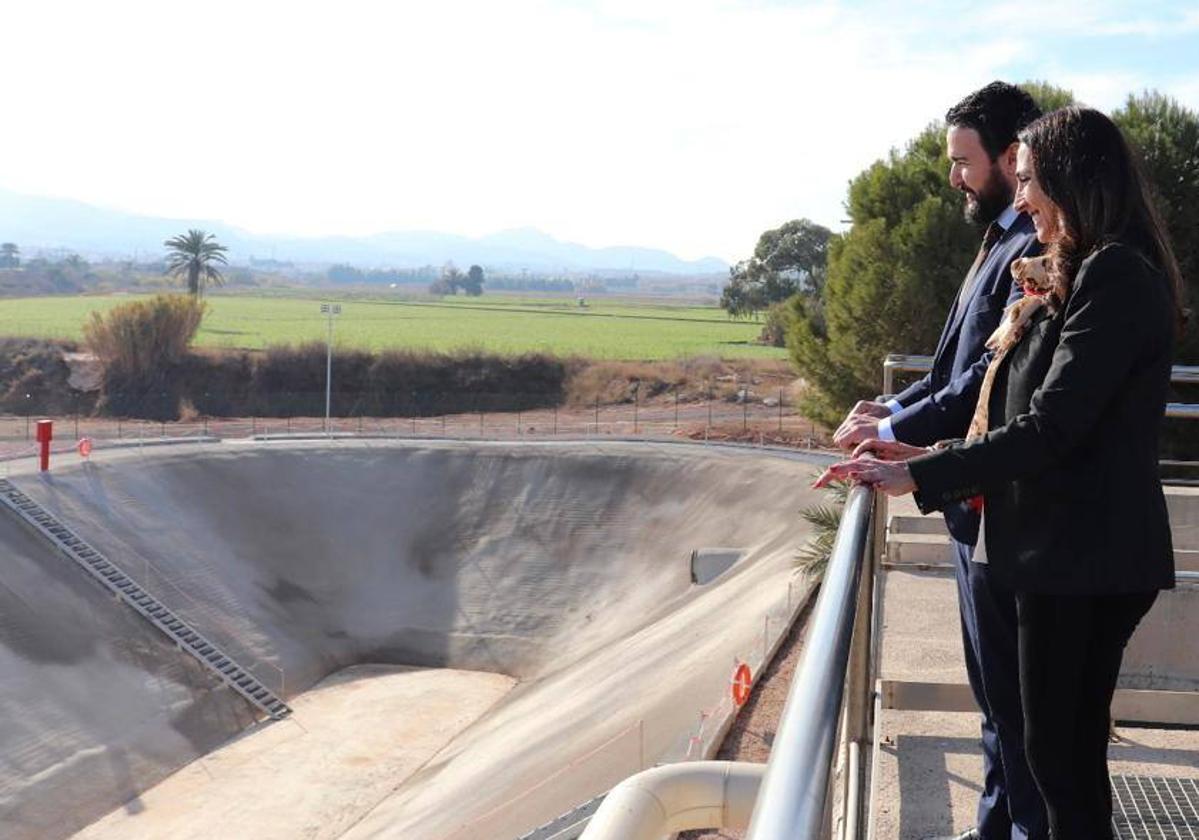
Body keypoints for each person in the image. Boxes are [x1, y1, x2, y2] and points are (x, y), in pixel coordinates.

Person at [820, 106, 1183, 840]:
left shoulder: (1113, 275)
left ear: (1071, 181)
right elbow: (1008, 403)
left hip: (1078, 559)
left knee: (1058, 764)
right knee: (1057, 760)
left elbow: (1051, 427)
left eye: (1028, 182)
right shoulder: (1083, 270)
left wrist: (922, 476)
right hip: (1060, 554)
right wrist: (920, 456)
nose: (1019, 200)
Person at [835, 81, 1046, 840]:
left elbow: (973, 391)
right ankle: (996, 828)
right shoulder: (996, 240)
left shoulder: (1028, 250)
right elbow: (949, 366)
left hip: (993, 501)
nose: (952, 176)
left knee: (1014, 705)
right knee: (995, 699)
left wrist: (903, 431)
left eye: (964, 161)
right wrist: (887, 411)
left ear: (1008, 155)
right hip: (970, 501)